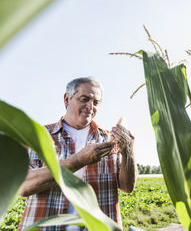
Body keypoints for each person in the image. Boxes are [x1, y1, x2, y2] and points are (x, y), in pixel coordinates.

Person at [18, 76, 137, 231]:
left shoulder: (108, 139)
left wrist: (128, 151)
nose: (90, 106)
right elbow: (23, 186)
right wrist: (78, 161)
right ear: (67, 99)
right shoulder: (37, 136)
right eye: (84, 99)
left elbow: (127, 186)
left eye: (96, 103)